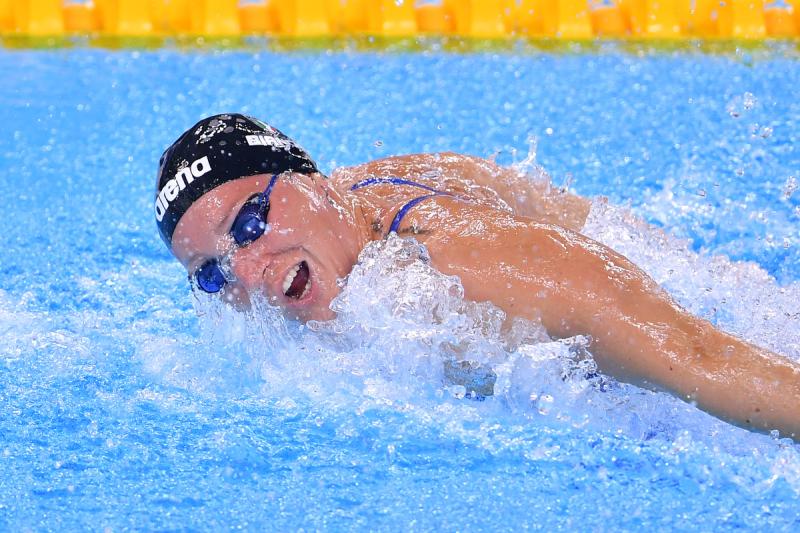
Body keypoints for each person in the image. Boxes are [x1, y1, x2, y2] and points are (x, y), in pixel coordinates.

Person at [155, 113, 800, 439]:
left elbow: (695, 352)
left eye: (248, 222)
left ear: (312, 181)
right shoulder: (334, 222)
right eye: (209, 273)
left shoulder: (462, 267)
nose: (244, 272)